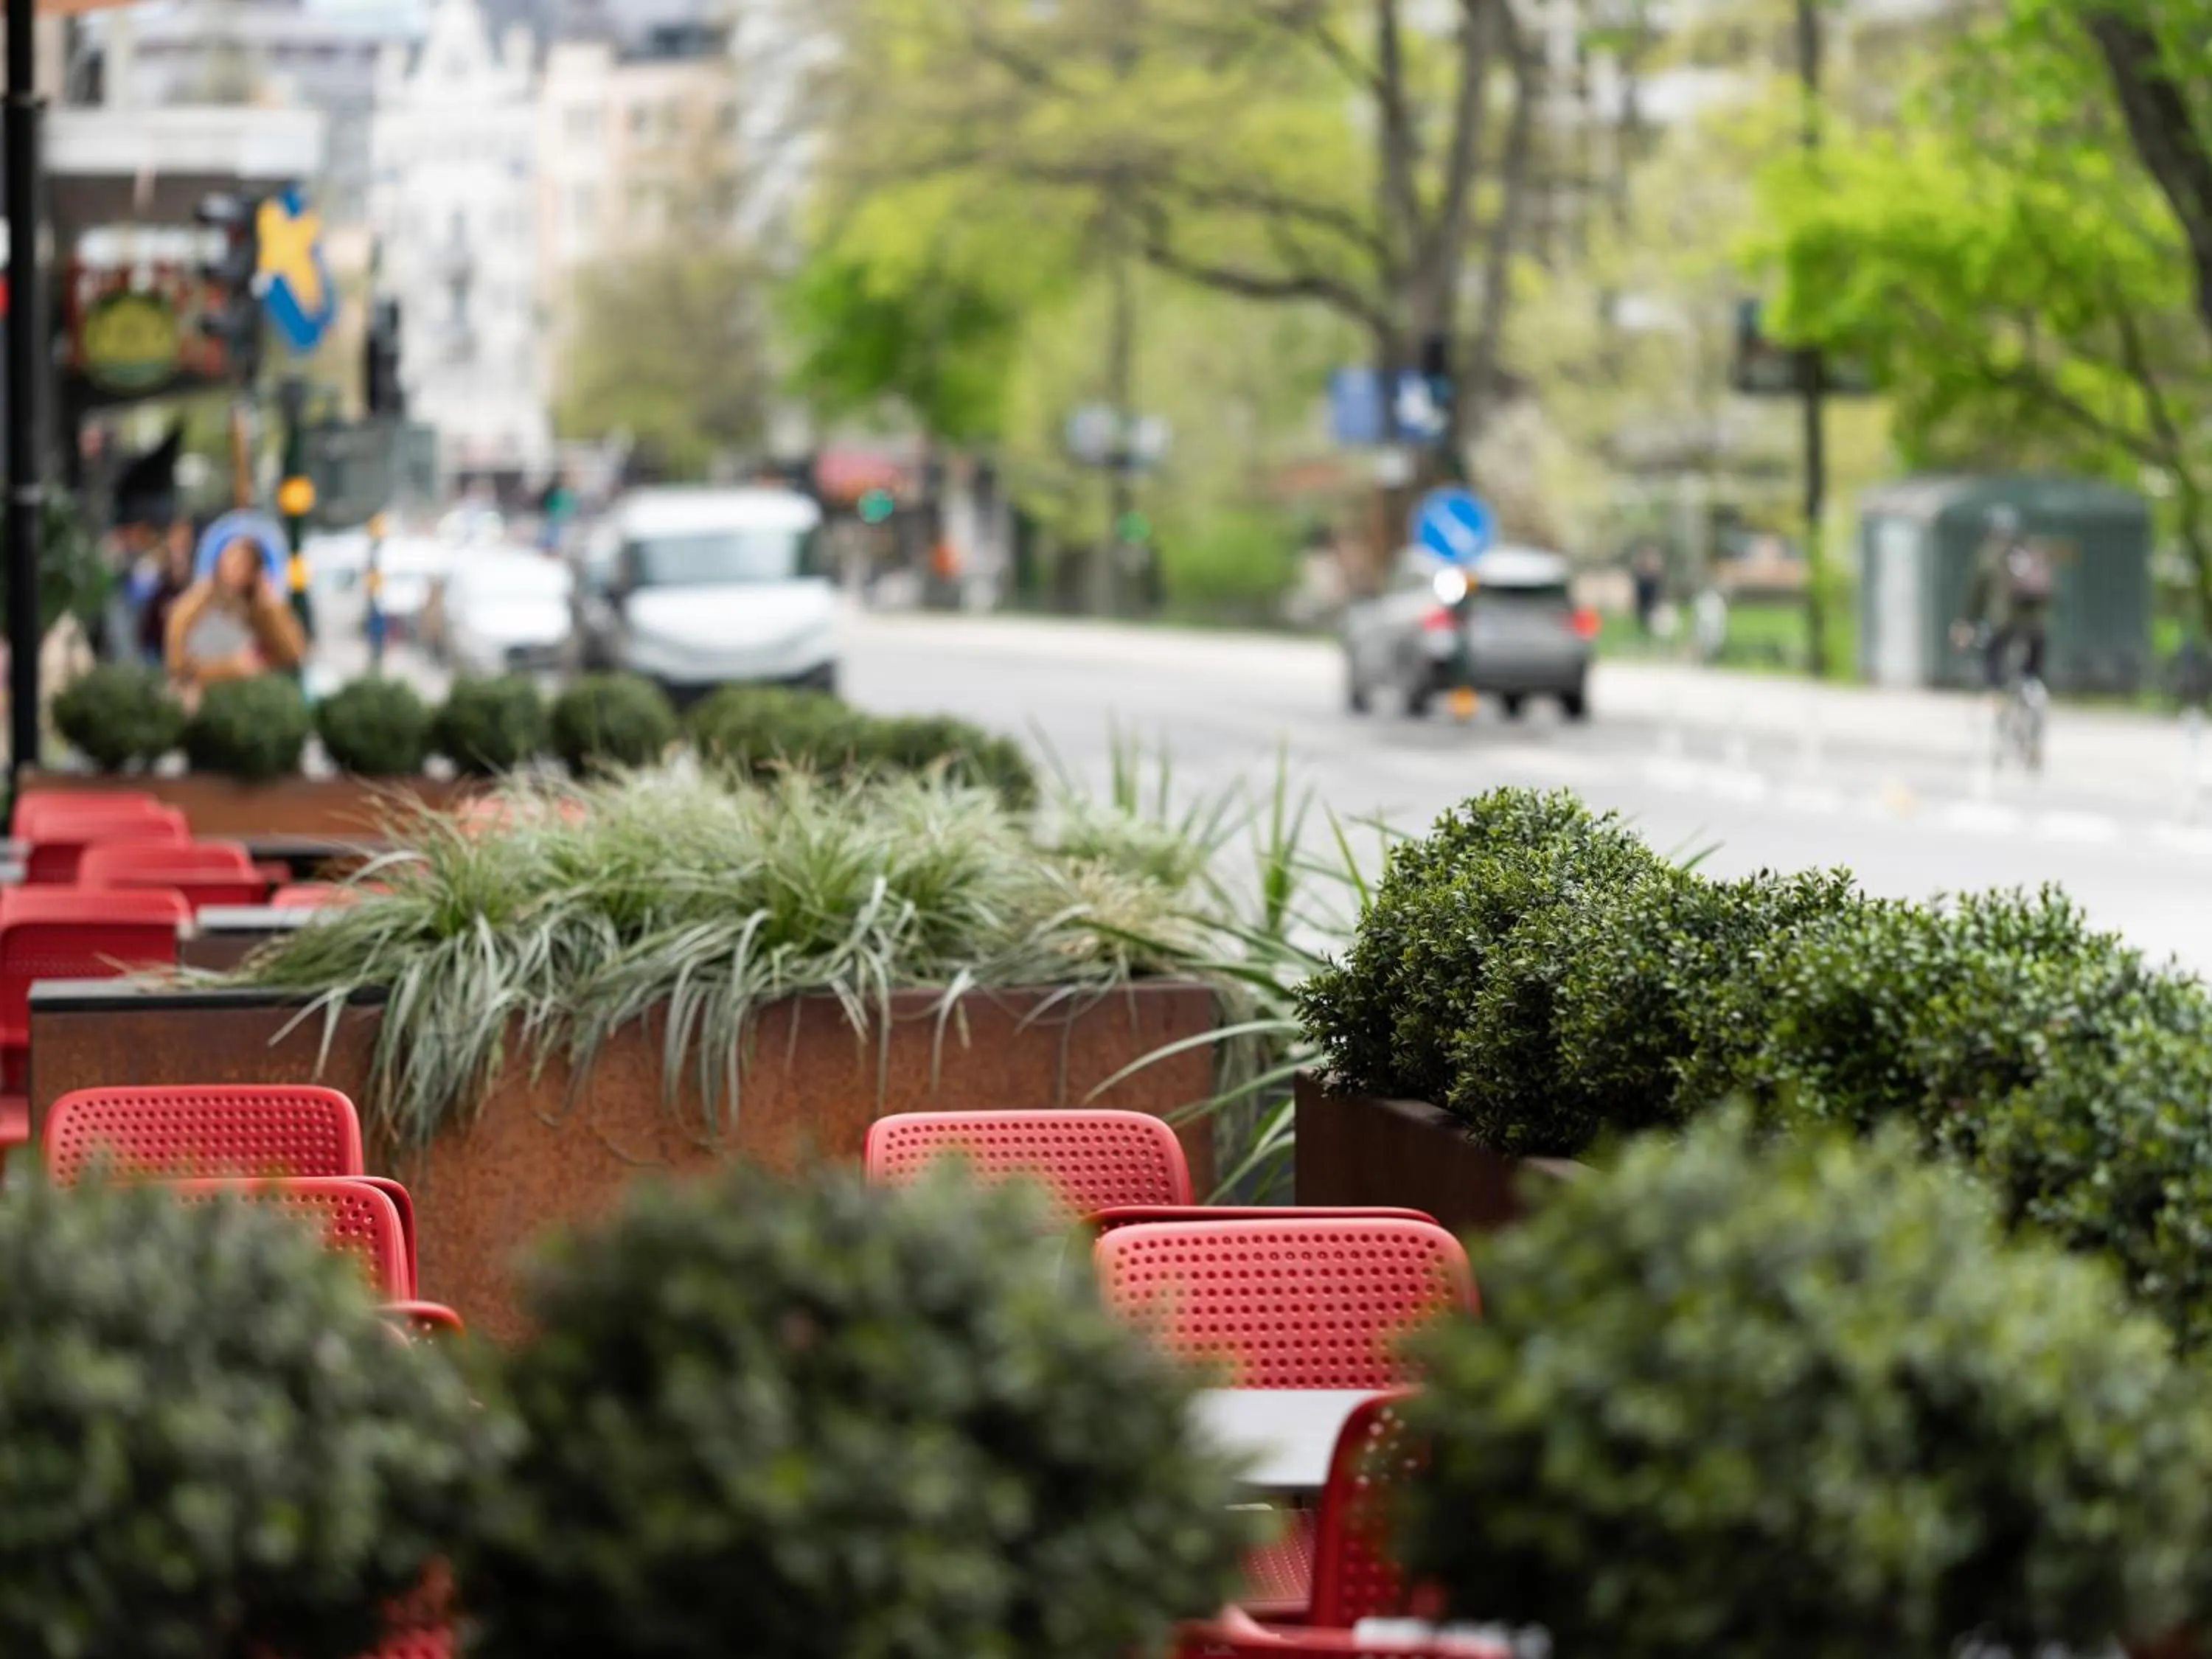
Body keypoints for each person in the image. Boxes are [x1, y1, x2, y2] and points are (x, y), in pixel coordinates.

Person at [164, 534, 306, 705]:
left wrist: (268, 605)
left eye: (243, 563)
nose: (234, 569)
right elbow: (178, 662)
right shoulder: (196, 605)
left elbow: (293, 652)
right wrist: (228, 668)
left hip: (254, 700)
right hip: (207, 700)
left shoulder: (263, 610)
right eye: (230, 560)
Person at [1952, 505, 2054, 693]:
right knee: (2032, 663)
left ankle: (1995, 695)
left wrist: (1967, 621)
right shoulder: (2029, 549)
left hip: (2004, 620)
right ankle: (2034, 687)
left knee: (1993, 654)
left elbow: (1977, 593)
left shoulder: (1988, 554)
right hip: (2037, 620)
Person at [134, 520, 198, 665]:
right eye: (178, 536)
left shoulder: (195, 566)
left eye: (186, 538)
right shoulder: (153, 563)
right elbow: (141, 594)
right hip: (155, 638)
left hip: (185, 640)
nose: (182, 542)